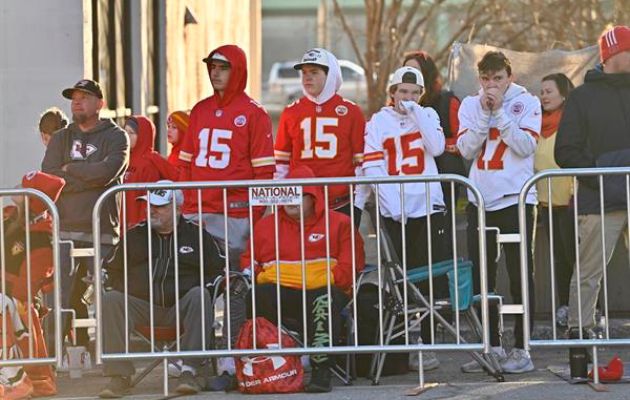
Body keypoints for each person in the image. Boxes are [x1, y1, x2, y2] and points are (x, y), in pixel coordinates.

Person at [177, 45, 275, 368]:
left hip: (234, 214)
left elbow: (263, 172)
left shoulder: (255, 113)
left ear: (238, 70)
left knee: (233, 285)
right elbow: (185, 163)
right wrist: (188, 204)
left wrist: (255, 217)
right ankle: (196, 356)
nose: (215, 72)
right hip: (198, 212)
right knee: (192, 283)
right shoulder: (200, 110)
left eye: (223, 67)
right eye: (212, 66)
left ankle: (232, 356)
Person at [241, 165, 365, 393]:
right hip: (282, 292)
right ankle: (270, 367)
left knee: (323, 299)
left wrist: (299, 277)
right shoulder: (265, 226)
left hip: (323, 291)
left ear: (314, 197)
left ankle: (321, 370)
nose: (291, 199)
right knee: (258, 294)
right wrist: (294, 277)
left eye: (298, 193)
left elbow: (349, 269)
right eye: (287, 193)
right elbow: (249, 263)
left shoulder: (340, 223)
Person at [98, 183, 224, 398]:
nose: (151, 210)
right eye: (149, 205)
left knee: (200, 295)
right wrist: (118, 288)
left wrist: (208, 290)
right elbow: (109, 269)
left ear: (177, 209)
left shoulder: (197, 235)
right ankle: (119, 376)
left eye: (159, 206)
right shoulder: (134, 235)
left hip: (182, 307)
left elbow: (219, 271)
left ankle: (190, 370)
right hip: (141, 307)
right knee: (111, 299)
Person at [456, 51, 540, 373]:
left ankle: (522, 348)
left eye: (498, 79)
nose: (491, 85)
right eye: (486, 79)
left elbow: (525, 146)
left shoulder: (526, 102)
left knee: (520, 275)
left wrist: (501, 113)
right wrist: (483, 115)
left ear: (510, 77)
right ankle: (489, 346)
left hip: (515, 199)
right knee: (482, 278)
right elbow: (465, 149)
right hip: (481, 199)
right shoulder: (469, 104)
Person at [362, 66, 450, 371]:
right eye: (403, 92)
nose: (408, 98)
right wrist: (391, 203)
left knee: (427, 278)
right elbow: (372, 166)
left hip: (427, 208)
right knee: (398, 282)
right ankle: (400, 344)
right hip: (394, 211)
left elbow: (437, 147)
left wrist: (418, 113)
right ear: (392, 93)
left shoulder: (428, 117)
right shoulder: (378, 122)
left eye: (414, 93)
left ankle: (426, 344)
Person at [41, 79, 129, 346]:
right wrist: (88, 177)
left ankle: (111, 357)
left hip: (100, 230)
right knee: (60, 297)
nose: (77, 102)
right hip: (64, 229)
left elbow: (107, 172)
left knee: (106, 296)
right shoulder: (61, 138)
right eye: (74, 97)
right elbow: (50, 175)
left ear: (100, 103)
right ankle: (53, 358)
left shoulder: (116, 136)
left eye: (85, 97)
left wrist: (70, 170)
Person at [555, 25, 630, 339]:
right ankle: (580, 337)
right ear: (613, 54)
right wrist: (603, 175)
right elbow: (565, 150)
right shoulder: (582, 96)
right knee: (588, 274)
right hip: (598, 199)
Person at [274, 48, 365, 224]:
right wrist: (281, 201)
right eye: (304, 72)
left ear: (330, 75)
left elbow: (361, 164)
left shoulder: (352, 112)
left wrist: (358, 204)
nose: (307, 77)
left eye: (314, 72)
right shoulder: (291, 112)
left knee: (341, 251)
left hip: (341, 204)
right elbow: (281, 164)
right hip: (302, 204)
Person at [0, 171, 64, 399]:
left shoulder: (42, 240)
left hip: (20, 304)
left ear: (31, 200)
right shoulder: (8, 218)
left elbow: (23, 288)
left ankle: (13, 380)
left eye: (23, 186)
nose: (16, 187)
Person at [534, 73, 576, 327]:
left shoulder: (572, 122)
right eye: (542, 92)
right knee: (559, 258)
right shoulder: (537, 123)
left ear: (563, 93)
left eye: (549, 91)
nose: (544, 96)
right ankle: (565, 307)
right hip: (547, 204)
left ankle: (592, 309)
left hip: (571, 203)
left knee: (577, 259)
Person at [403, 51, 465, 210]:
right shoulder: (397, 108)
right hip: (410, 181)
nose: (410, 76)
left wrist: (434, 143)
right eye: (406, 70)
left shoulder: (447, 101)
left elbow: (462, 140)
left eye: (416, 71)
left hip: (442, 179)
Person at [122, 115, 178, 229]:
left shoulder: (149, 163)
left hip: (138, 227)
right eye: (125, 132)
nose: (126, 136)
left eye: (131, 133)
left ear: (143, 136)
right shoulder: (124, 158)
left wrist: (142, 226)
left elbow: (147, 201)